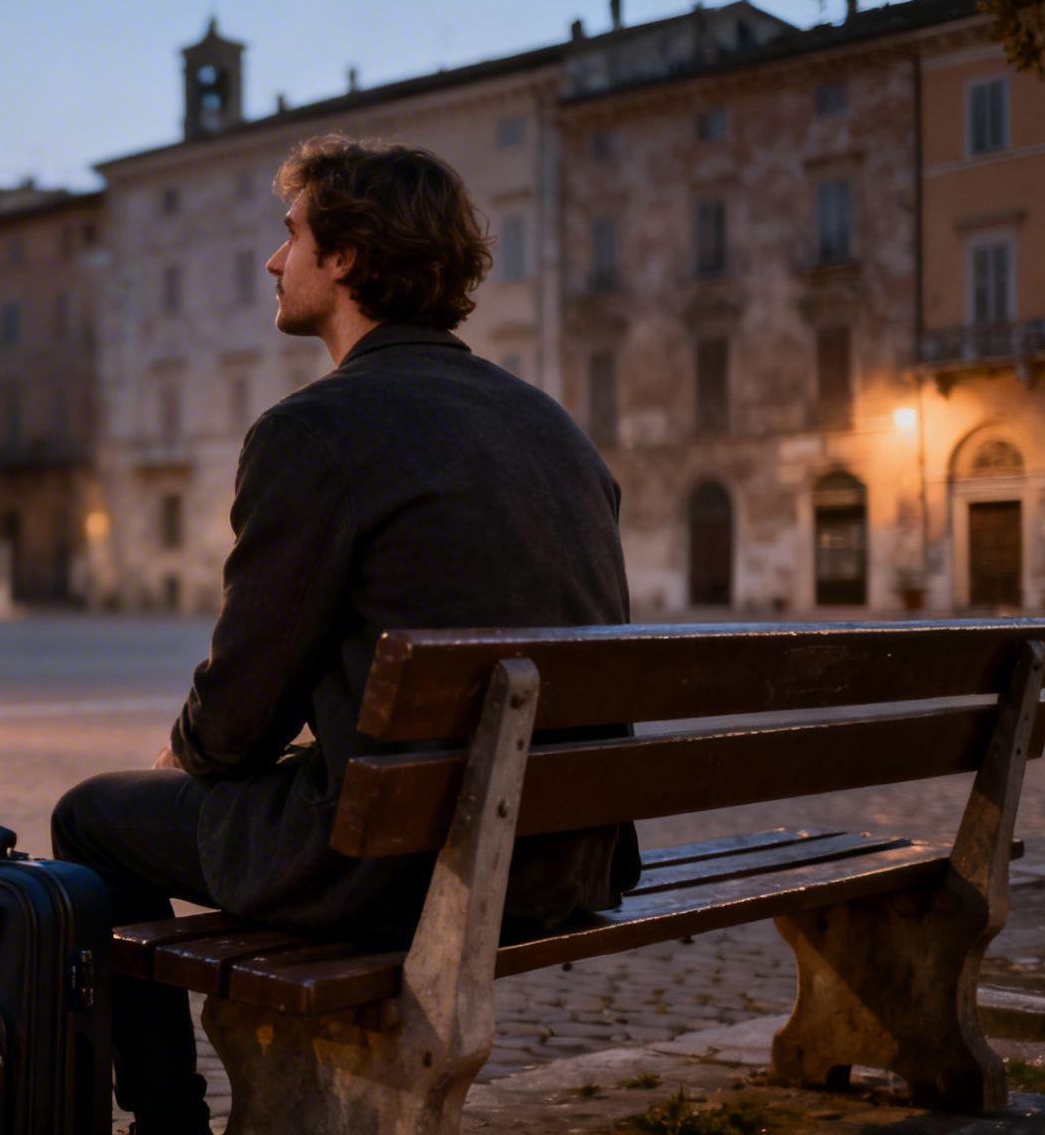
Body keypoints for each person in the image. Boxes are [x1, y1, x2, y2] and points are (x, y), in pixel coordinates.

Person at [50, 135, 640, 1134]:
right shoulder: (552, 427)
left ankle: (166, 1121)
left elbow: (238, 712)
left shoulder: (312, 431)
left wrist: (175, 767)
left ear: (347, 258)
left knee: (91, 820)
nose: (272, 260)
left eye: (290, 236)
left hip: (400, 861)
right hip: (567, 854)